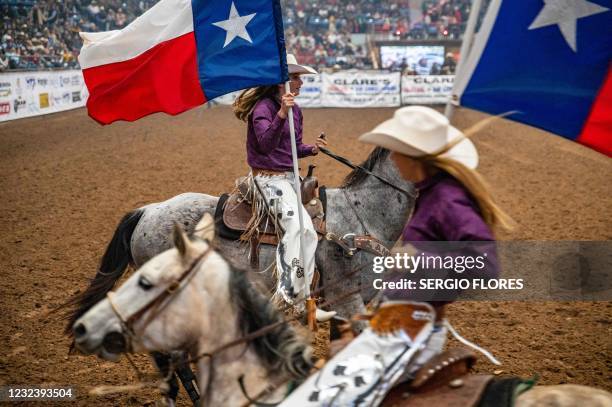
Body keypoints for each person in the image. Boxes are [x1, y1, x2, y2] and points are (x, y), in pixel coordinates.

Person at [280, 106, 512, 406]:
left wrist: (416, 261)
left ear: (412, 156)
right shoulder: (431, 193)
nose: (390, 157)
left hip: (411, 329)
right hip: (398, 322)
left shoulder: (447, 200)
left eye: (395, 150)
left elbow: (486, 263)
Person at [233, 54, 335, 322]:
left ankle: (305, 302)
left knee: (309, 233)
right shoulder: (263, 109)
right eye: (295, 77)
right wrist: (281, 113)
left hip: (289, 178)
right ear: (281, 82)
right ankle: (287, 297)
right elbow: (266, 144)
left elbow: (290, 148)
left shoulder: (296, 110)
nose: (300, 82)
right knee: (300, 228)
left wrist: (311, 149)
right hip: (267, 179)